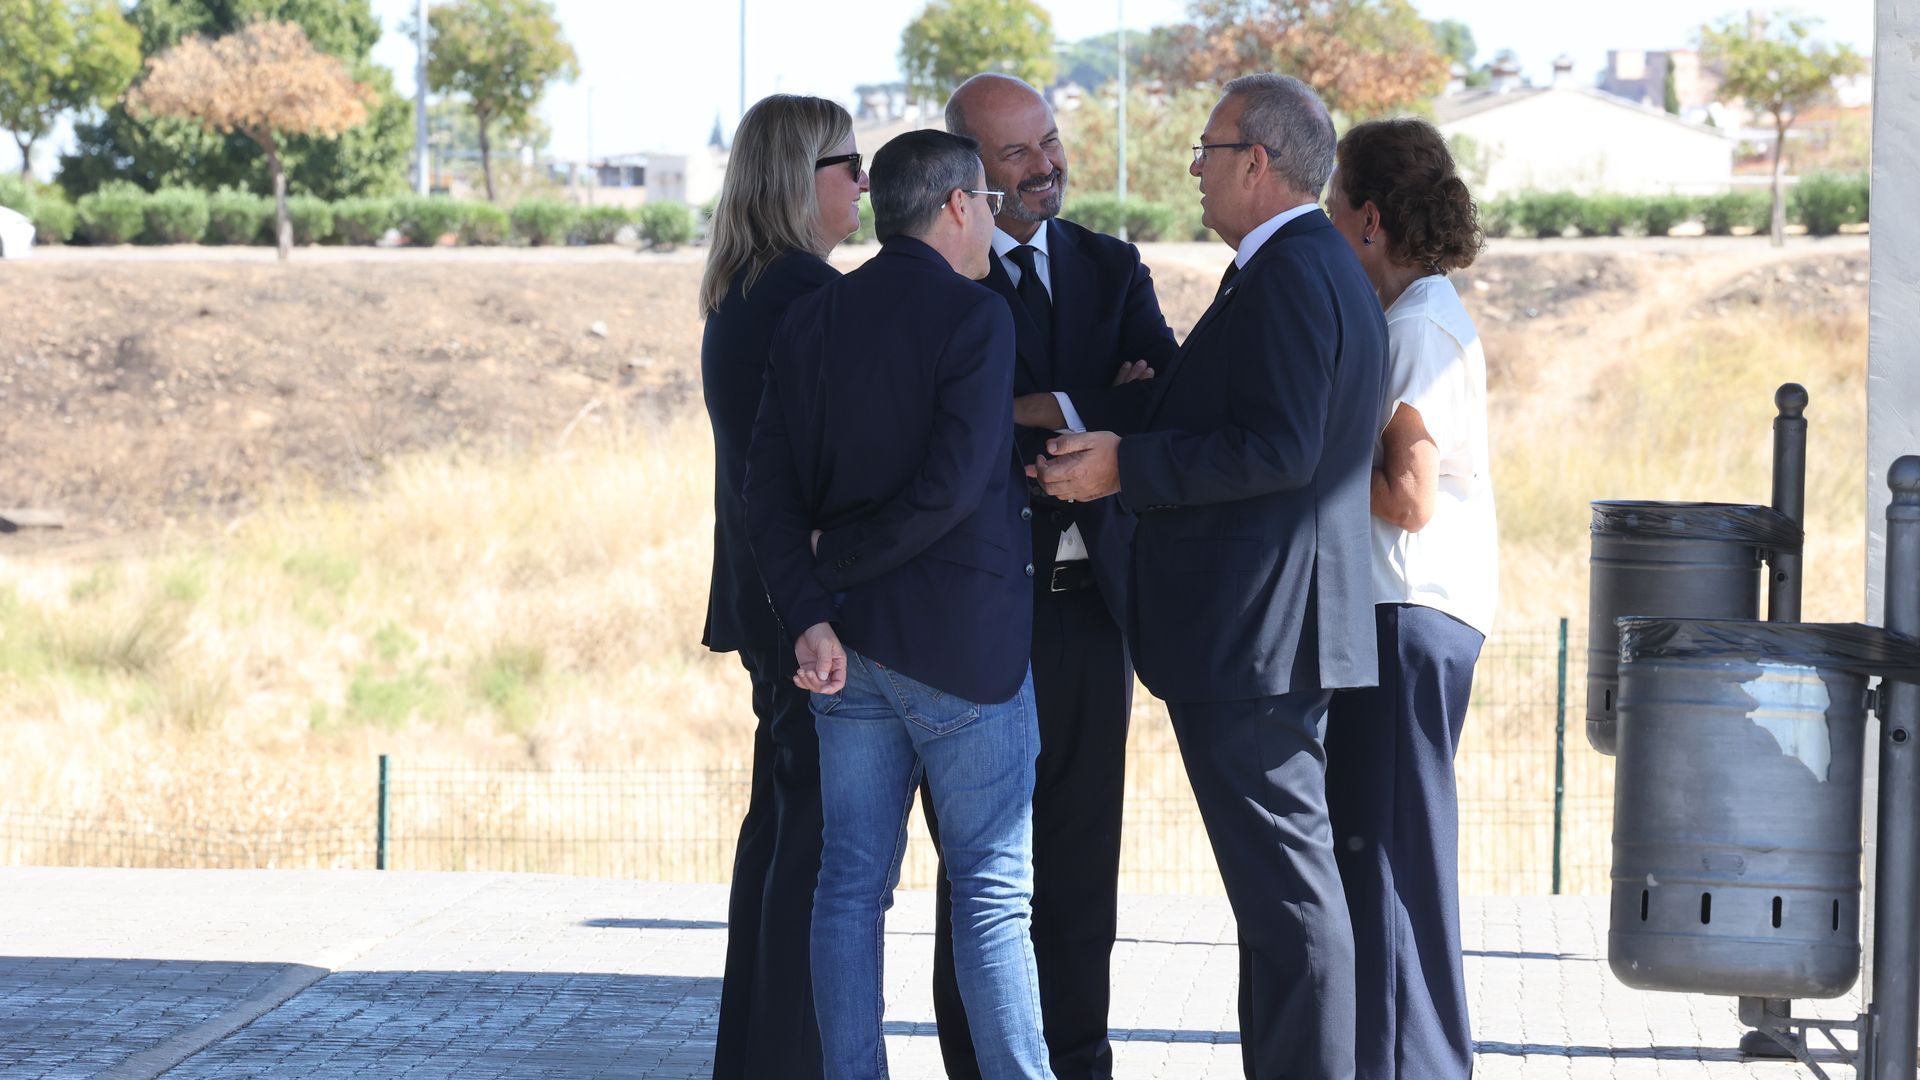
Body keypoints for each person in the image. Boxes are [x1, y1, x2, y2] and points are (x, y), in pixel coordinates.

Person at [1031, 73, 1387, 1079]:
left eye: (1206, 150)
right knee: (1277, 906)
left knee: (1288, 901)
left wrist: (1124, 468)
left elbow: (1279, 447)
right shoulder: (1292, 266)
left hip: (1258, 635)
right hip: (1265, 630)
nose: (1194, 171)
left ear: (1257, 163)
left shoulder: (1292, 271)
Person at [744, 128, 1054, 1080]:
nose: (990, 223)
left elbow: (765, 496)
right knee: (991, 892)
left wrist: (812, 609)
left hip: (845, 651)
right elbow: (952, 490)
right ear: (958, 204)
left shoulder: (815, 316)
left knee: (848, 888)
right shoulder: (977, 317)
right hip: (963, 652)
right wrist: (835, 568)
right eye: (986, 205)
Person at [923, 72, 1178, 1080]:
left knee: (1081, 868)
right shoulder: (940, 278)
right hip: (981, 619)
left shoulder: (1112, 266)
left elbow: (1165, 402)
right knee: (983, 874)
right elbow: (952, 424)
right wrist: (1090, 403)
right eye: (1018, 152)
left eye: (1051, 140)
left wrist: (1039, 407)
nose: (1047, 165)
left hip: (1092, 615)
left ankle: (1079, 1063)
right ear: (970, 174)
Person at [1322, 116, 1498, 1080]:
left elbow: (1408, 498)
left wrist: (1299, 468)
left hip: (1406, 613)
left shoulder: (1419, 324)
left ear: (1370, 220)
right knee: (1388, 858)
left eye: (1331, 202)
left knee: (1388, 862)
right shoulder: (1415, 316)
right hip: (1408, 615)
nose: (1324, 220)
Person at [697, 92, 867, 1080]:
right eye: (850, 165)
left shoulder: (747, 289)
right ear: (803, 180)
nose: (866, 184)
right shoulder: (806, 292)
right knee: (812, 846)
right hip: (804, 604)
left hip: (765, 595)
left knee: (781, 830)